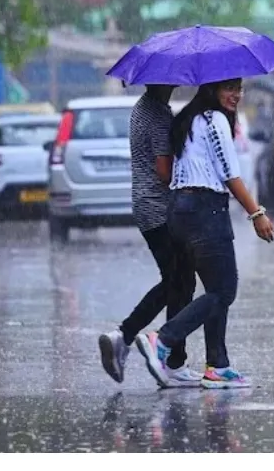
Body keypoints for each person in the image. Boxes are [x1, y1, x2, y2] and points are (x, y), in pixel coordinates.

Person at [135, 78, 274, 390]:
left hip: (179, 211)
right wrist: (257, 213)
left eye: (239, 88)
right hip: (204, 210)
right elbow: (229, 172)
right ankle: (163, 339)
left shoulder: (189, 118)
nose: (236, 95)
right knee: (224, 290)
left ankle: (218, 365)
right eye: (229, 88)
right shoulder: (214, 121)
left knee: (214, 289)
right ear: (211, 90)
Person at [97, 84, 201, 388]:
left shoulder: (144, 108)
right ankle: (167, 358)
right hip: (159, 208)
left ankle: (135, 341)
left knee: (177, 279)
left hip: (146, 206)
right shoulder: (157, 115)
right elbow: (164, 171)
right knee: (180, 280)